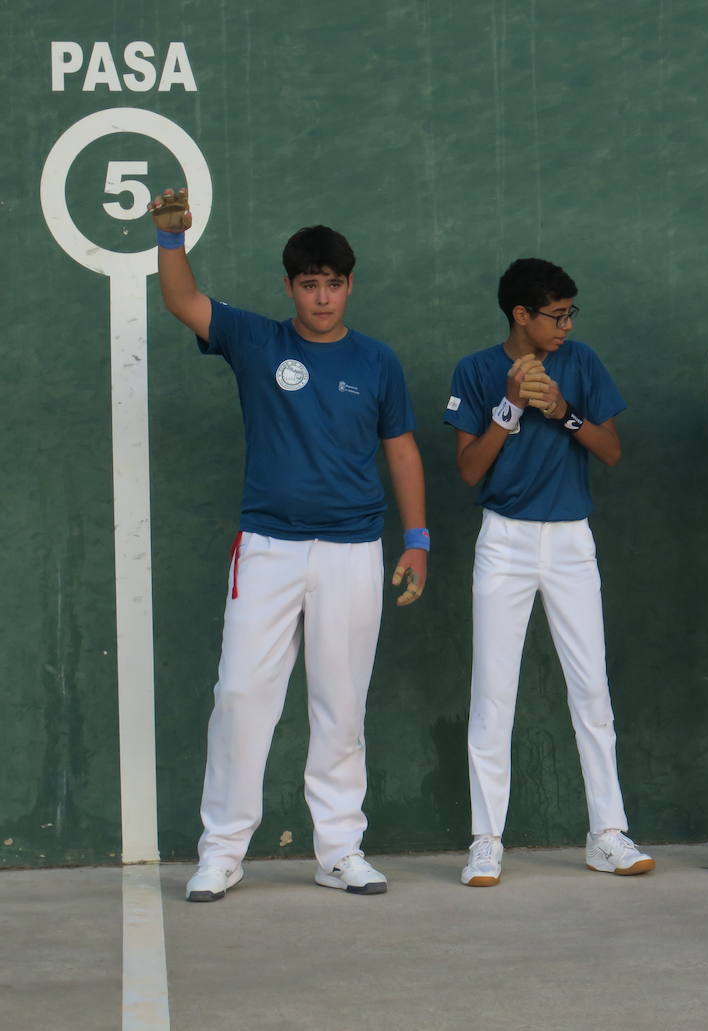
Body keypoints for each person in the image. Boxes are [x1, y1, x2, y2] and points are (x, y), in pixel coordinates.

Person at [148, 188, 429, 902]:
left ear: (350, 285)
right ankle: (222, 850)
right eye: (310, 284)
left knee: (341, 702)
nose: (323, 297)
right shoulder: (255, 339)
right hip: (267, 548)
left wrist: (417, 538)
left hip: (353, 551)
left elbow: (400, 450)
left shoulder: (377, 362)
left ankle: (339, 848)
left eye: (334, 283)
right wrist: (171, 239)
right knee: (241, 693)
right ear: (290, 287)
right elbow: (183, 301)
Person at [444, 257, 653, 887]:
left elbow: (611, 450)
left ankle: (607, 833)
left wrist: (562, 409)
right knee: (493, 693)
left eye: (569, 315)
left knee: (591, 689)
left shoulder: (581, 362)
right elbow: (468, 470)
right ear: (521, 315)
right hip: (503, 544)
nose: (564, 327)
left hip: (570, 542)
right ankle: (486, 840)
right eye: (554, 316)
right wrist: (510, 407)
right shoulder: (477, 371)